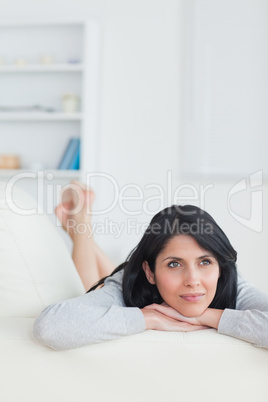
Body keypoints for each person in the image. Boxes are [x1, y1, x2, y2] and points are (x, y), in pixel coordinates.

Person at [33, 181, 268, 350]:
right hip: (130, 280)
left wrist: (207, 317)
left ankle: (81, 231)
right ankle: (82, 224)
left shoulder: (230, 280)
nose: (193, 279)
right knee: (106, 282)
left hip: (132, 275)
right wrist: (148, 318)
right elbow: (51, 326)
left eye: (205, 261)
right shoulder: (128, 283)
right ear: (150, 271)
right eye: (174, 264)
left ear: (219, 267)